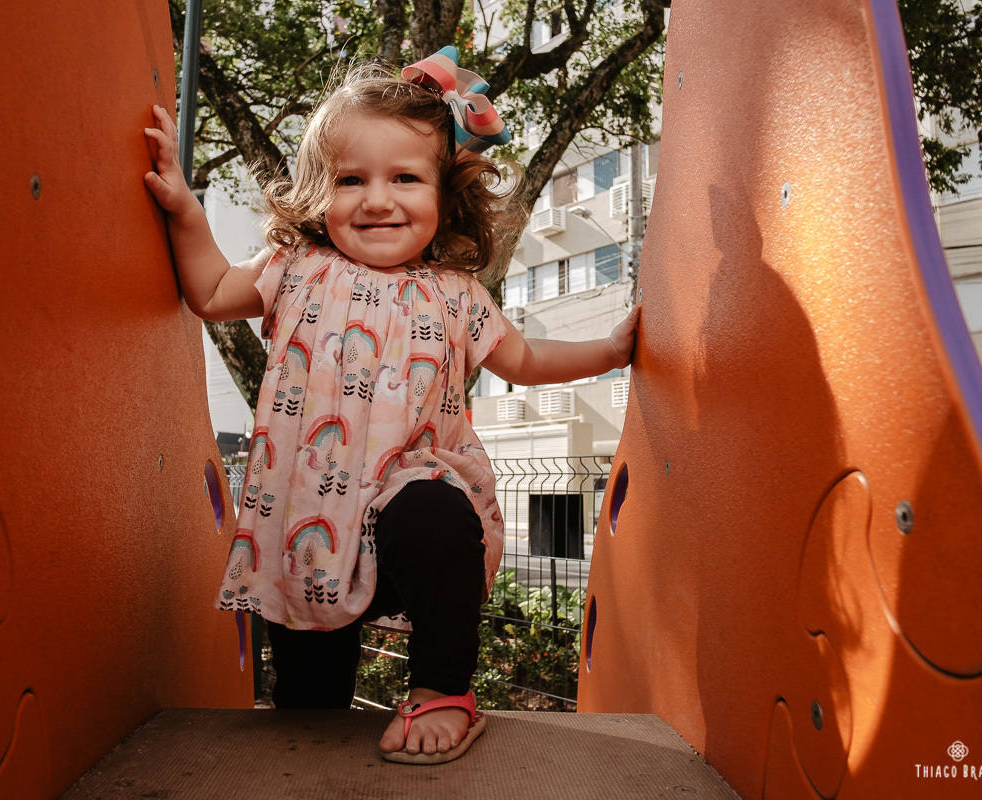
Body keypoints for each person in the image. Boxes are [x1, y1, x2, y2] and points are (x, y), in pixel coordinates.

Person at [142, 47, 640, 764]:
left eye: (405, 178)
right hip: (307, 526)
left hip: (406, 515)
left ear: (444, 194)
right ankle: (312, 713)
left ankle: (442, 692)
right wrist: (187, 208)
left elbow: (525, 361)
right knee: (309, 711)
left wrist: (609, 352)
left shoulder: (456, 294)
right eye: (351, 179)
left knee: (435, 509)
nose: (377, 198)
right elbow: (212, 292)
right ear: (319, 192)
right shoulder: (294, 268)